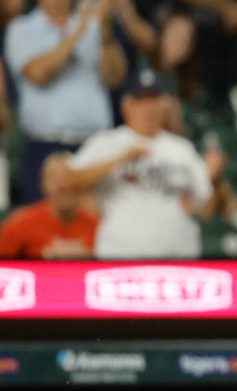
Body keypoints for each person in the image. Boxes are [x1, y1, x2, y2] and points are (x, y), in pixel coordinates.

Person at [63, 72, 217, 259]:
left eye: (153, 99)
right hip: (121, 254)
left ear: (163, 105)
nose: (148, 107)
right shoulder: (107, 143)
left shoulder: (182, 149)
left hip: (178, 256)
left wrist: (213, 178)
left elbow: (207, 206)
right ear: (126, 105)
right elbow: (67, 181)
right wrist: (120, 159)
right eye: (141, 100)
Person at [5, 0, 128, 203]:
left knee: (97, 219)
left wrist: (105, 31)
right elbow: (38, 74)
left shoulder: (94, 25)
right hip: (46, 146)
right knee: (48, 219)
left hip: (96, 144)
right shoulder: (22, 28)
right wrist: (77, 31)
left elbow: (115, 77)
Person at [0, 153, 98, 259]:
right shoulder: (21, 223)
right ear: (44, 184)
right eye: (56, 180)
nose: (63, 186)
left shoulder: (97, 225)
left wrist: (88, 258)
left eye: (70, 178)